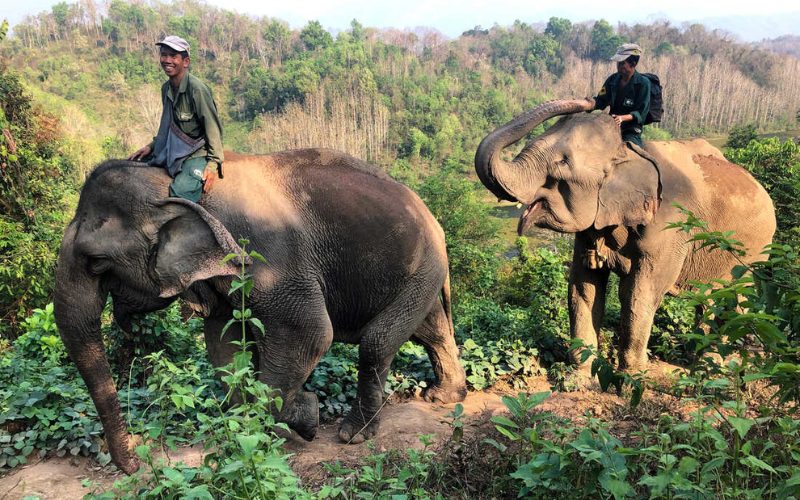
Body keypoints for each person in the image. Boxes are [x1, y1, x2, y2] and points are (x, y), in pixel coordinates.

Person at [128, 35, 224, 202]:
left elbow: (213, 128)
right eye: (164, 55)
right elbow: (171, 126)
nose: (167, 60)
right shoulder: (166, 89)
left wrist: (213, 165)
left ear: (185, 62)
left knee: (181, 193)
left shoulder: (197, 90)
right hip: (174, 148)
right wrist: (151, 146)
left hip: (196, 152)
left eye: (173, 56)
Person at [592, 43, 651, 147]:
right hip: (611, 126)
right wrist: (588, 104)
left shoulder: (643, 84)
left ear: (633, 64)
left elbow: (641, 113)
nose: (618, 66)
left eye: (622, 63)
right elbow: (601, 101)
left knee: (629, 152)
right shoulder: (612, 80)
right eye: (618, 63)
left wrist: (622, 118)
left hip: (631, 130)